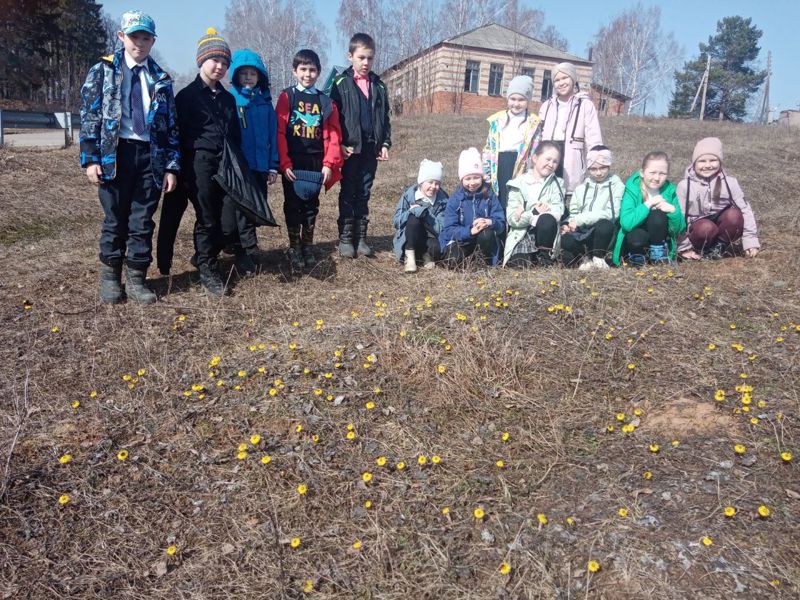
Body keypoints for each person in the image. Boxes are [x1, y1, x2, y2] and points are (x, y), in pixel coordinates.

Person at [79, 10, 179, 304]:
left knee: (142, 220)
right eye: (134, 36)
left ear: (152, 40)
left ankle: (136, 278)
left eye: (145, 37)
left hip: (150, 156)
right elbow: (89, 115)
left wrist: (171, 167)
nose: (140, 43)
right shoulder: (103, 70)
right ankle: (110, 277)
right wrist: (90, 158)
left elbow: (171, 126)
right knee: (115, 218)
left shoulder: (161, 78)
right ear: (122, 37)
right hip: (115, 154)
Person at [169, 28, 241, 296]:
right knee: (207, 219)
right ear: (201, 60)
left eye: (225, 63)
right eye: (215, 61)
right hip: (197, 165)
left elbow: (235, 136)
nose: (220, 67)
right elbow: (175, 135)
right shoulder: (186, 97)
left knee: (228, 222)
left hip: (226, 165)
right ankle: (208, 270)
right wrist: (178, 170)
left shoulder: (228, 99)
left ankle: (202, 256)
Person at [276, 49, 343, 271]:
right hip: (293, 163)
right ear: (295, 71)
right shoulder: (287, 97)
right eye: (303, 69)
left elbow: (334, 134)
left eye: (312, 70)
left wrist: (329, 164)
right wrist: (284, 163)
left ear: (319, 72)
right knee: (293, 205)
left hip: (316, 162)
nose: (308, 74)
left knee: (311, 205)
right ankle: (294, 247)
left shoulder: (325, 101)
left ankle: (307, 245)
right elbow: (280, 132)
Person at [330, 33, 391, 258]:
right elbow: (332, 120)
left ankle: (361, 238)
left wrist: (384, 143)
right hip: (349, 151)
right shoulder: (340, 83)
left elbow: (385, 118)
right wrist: (339, 145)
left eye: (370, 58)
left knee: (364, 192)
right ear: (350, 56)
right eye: (361, 57)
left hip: (370, 150)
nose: (366, 63)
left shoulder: (379, 86)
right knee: (348, 191)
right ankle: (346, 238)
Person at [228, 48, 279, 265]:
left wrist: (273, 165)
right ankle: (246, 249)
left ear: (260, 77)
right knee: (243, 207)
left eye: (253, 73)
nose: (249, 77)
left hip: (261, 165)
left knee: (258, 205)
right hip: (241, 167)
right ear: (236, 76)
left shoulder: (265, 103)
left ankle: (243, 243)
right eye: (244, 73)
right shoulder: (232, 100)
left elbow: (273, 135)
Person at [676, 137, 760, 260]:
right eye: (702, 161)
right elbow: (679, 217)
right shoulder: (684, 186)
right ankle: (700, 249)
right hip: (699, 229)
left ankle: (718, 249)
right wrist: (683, 247)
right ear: (694, 163)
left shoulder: (731, 183)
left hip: (721, 225)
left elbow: (745, 210)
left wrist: (750, 240)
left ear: (720, 162)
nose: (708, 165)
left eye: (713, 160)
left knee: (734, 215)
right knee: (706, 227)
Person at [538, 62, 602, 201]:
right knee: (548, 194)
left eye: (565, 78)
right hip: (550, 153)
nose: (561, 83)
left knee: (570, 197)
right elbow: (538, 134)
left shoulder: (585, 105)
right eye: (557, 80)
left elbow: (593, 135)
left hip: (572, 155)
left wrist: (596, 160)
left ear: (573, 79)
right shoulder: (546, 106)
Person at [612, 151, 686, 266]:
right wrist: (649, 203)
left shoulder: (670, 190)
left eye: (662, 174)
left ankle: (659, 258)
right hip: (634, 240)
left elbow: (678, 230)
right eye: (652, 173)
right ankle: (636, 260)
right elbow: (626, 223)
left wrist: (673, 211)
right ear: (642, 172)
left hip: (658, 239)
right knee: (637, 236)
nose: (657, 178)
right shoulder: (632, 188)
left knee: (657, 216)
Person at [482, 75, 542, 210]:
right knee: (500, 201)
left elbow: (535, 150)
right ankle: (500, 229)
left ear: (528, 101)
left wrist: (532, 171)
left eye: (521, 100)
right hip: (499, 164)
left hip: (520, 166)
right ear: (507, 98)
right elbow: (488, 148)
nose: (516, 103)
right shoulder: (497, 120)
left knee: (515, 200)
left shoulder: (533, 123)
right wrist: (486, 173)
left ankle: (515, 229)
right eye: (513, 99)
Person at [440, 148, 505, 267]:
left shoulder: (490, 195)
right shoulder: (455, 199)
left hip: (485, 241)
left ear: (482, 177)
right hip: (463, 241)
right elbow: (449, 230)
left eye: (476, 177)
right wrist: (470, 230)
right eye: (468, 178)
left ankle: (484, 262)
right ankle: (469, 261)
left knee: (486, 234)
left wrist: (489, 222)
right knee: (452, 260)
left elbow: (501, 223)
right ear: (461, 179)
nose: (472, 182)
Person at [503, 141, 565, 268]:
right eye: (547, 159)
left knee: (547, 219)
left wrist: (524, 210)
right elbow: (513, 219)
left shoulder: (557, 184)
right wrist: (533, 212)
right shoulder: (517, 184)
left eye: (555, 161)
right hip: (522, 234)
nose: (551, 164)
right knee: (519, 265)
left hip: (547, 233)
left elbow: (558, 211)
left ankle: (545, 257)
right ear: (535, 158)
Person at [560, 145, 623, 269]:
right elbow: (574, 212)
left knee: (604, 224)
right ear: (588, 168)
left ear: (609, 165)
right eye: (593, 169)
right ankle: (585, 257)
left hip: (603, 234)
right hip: (582, 232)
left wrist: (580, 220)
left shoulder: (617, 185)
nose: (598, 173)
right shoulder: (581, 188)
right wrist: (568, 225)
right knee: (565, 240)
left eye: (603, 168)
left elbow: (613, 213)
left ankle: (598, 256)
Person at [392, 160, 448, 273]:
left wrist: (426, 214)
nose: (434, 187)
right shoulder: (409, 195)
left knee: (437, 248)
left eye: (437, 183)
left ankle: (425, 254)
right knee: (414, 218)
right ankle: (410, 256)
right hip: (409, 237)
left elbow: (441, 228)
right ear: (421, 182)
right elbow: (396, 221)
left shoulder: (443, 200)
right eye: (430, 182)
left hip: (430, 237)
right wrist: (411, 211)